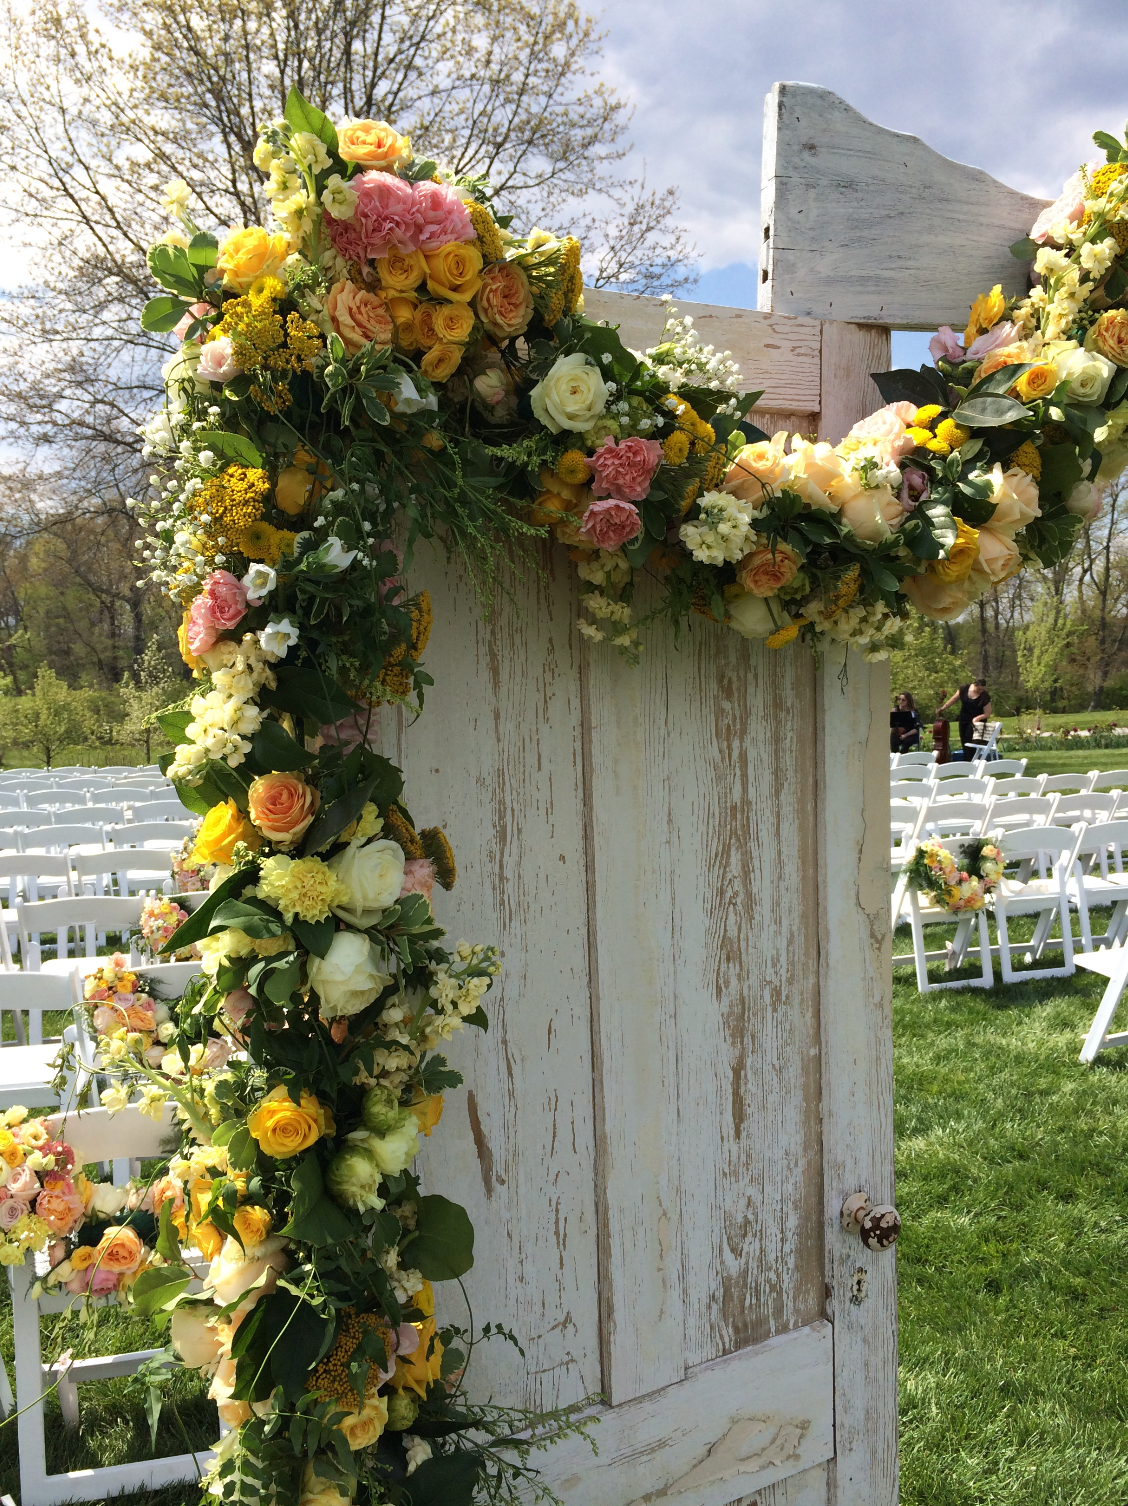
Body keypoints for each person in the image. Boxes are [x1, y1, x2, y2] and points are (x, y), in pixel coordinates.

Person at [937, 678, 992, 758]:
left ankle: (969, 760)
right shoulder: (964, 689)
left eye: (982, 689)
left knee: (969, 740)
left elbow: (987, 713)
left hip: (976, 721)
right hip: (964, 718)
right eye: (979, 689)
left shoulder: (985, 695)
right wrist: (942, 709)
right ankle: (967, 760)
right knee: (963, 740)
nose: (981, 691)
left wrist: (977, 718)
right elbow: (953, 699)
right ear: (974, 685)